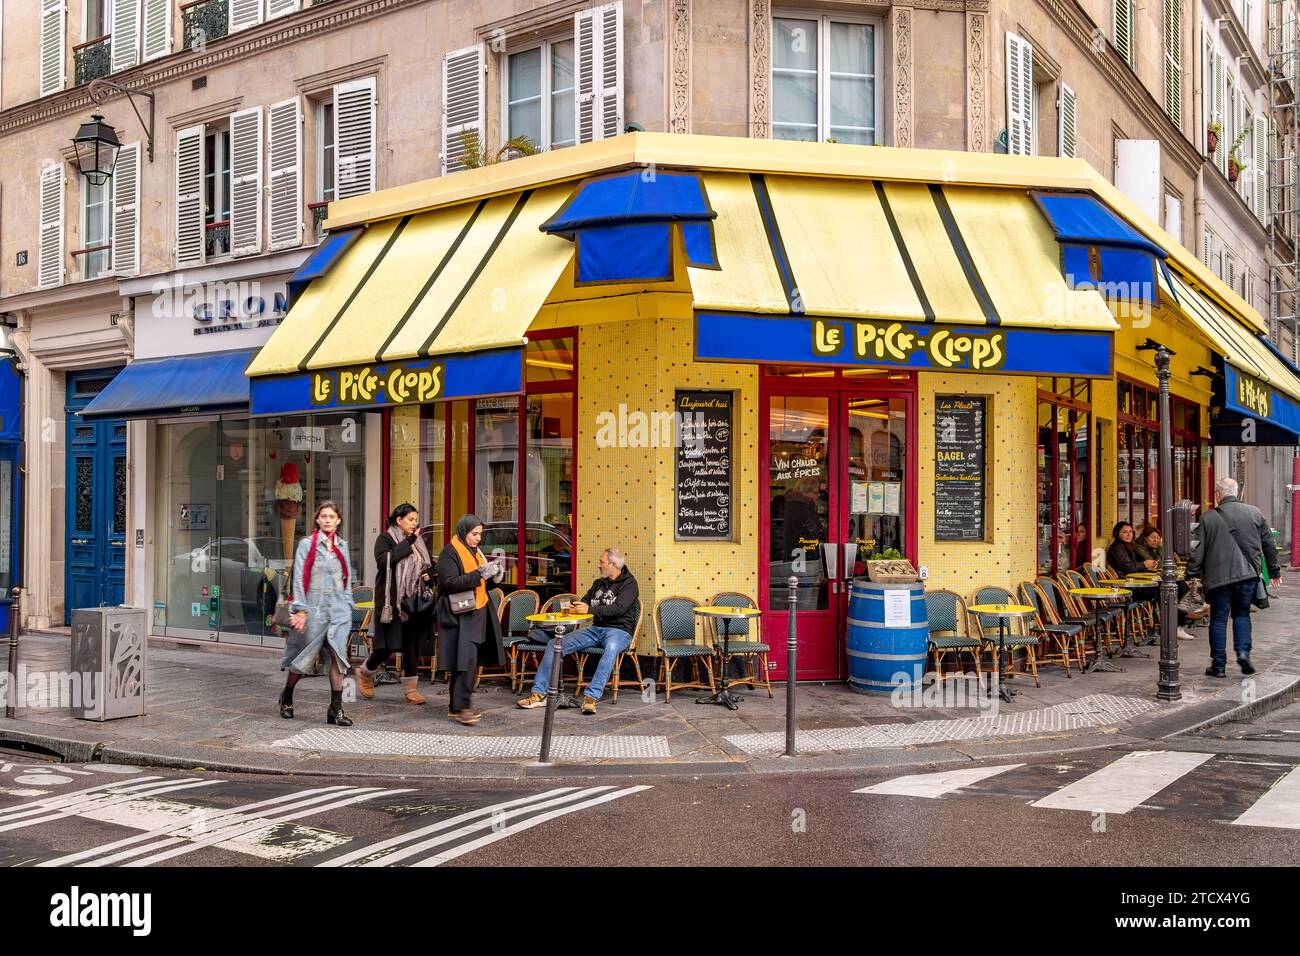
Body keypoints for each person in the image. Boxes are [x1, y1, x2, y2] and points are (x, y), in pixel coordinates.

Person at [517, 548, 639, 715]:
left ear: (613, 564)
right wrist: (576, 607)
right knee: (554, 644)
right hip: (595, 629)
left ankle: (591, 698)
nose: (598, 565)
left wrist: (589, 609)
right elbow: (585, 601)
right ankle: (539, 693)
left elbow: (619, 608)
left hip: (619, 631)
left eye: (602, 562)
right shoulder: (598, 583)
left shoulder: (630, 584)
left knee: (611, 649)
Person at [1187, 477, 1282, 677]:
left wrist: (1192, 573)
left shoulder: (1207, 518)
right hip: (1247, 575)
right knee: (1242, 614)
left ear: (1218, 494)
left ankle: (1218, 666)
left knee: (1218, 619)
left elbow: (1197, 550)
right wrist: (1274, 572)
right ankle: (1243, 654)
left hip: (1218, 578)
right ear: (1236, 493)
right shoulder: (1255, 513)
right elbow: (1269, 545)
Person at [279, 501, 356, 726]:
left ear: (338, 520)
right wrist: (300, 609)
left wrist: (348, 604)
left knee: (338, 659)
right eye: (324, 516)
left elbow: (346, 578)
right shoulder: (307, 544)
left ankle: (336, 709)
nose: (327, 520)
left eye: (331, 516)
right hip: (314, 611)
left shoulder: (342, 546)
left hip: (338, 612)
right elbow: (299, 577)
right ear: (317, 519)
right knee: (303, 659)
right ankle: (287, 695)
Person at [355, 503, 434, 705]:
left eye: (416, 520)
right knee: (387, 646)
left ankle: (411, 690)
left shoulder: (419, 542)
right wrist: (409, 541)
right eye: (410, 519)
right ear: (399, 520)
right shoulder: (385, 539)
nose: (414, 523)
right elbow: (384, 561)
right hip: (391, 602)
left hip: (413, 602)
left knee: (412, 645)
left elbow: (427, 565)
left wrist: (428, 575)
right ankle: (365, 672)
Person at [436, 515, 507, 725]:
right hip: (460, 614)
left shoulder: (475, 552)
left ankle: (457, 706)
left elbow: (481, 583)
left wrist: (494, 576)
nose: (478, 538)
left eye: (480, 534)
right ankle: (461, 707)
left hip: (477, 611)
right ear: (463, 531)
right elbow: (450, 583)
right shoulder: (449, 553)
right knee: (465, 659)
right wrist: (481, 573)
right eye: (474, 534)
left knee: (468, 659)